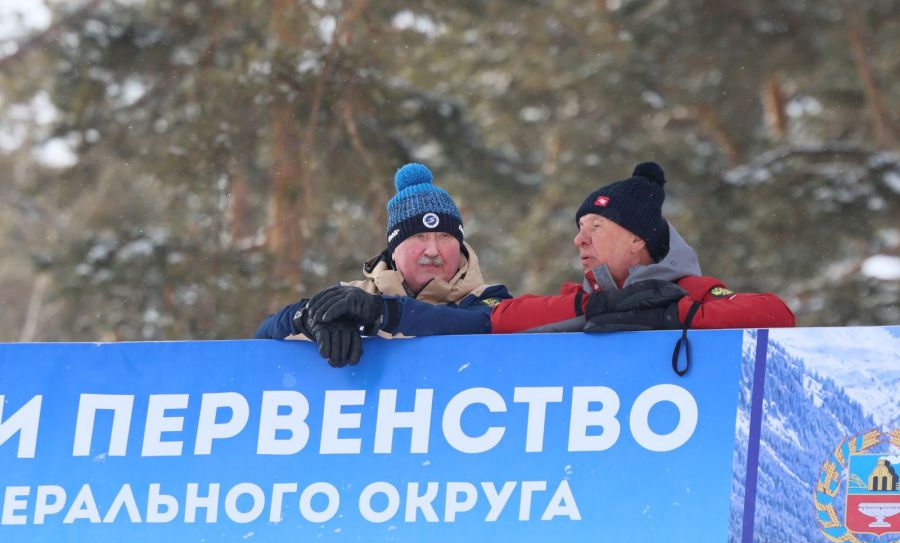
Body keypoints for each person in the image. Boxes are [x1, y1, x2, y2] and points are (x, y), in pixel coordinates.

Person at [490, 162, 795, 369]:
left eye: (596, 226)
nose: (579, 239)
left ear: (636, 239)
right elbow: (501, 320)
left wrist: (673, 314)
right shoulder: (583, 299)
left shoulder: (690, 291)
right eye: (580, 227)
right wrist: (596, 306)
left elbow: (778, 314)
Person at [256, 163, 511, 367]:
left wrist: (385, 312)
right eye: (419, 237)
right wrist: (307, 318)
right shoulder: (354, 296)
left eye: (445, 237)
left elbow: (477, 323)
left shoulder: (489, 300)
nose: (433, 250)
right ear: (394, 250)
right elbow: (262, 339)